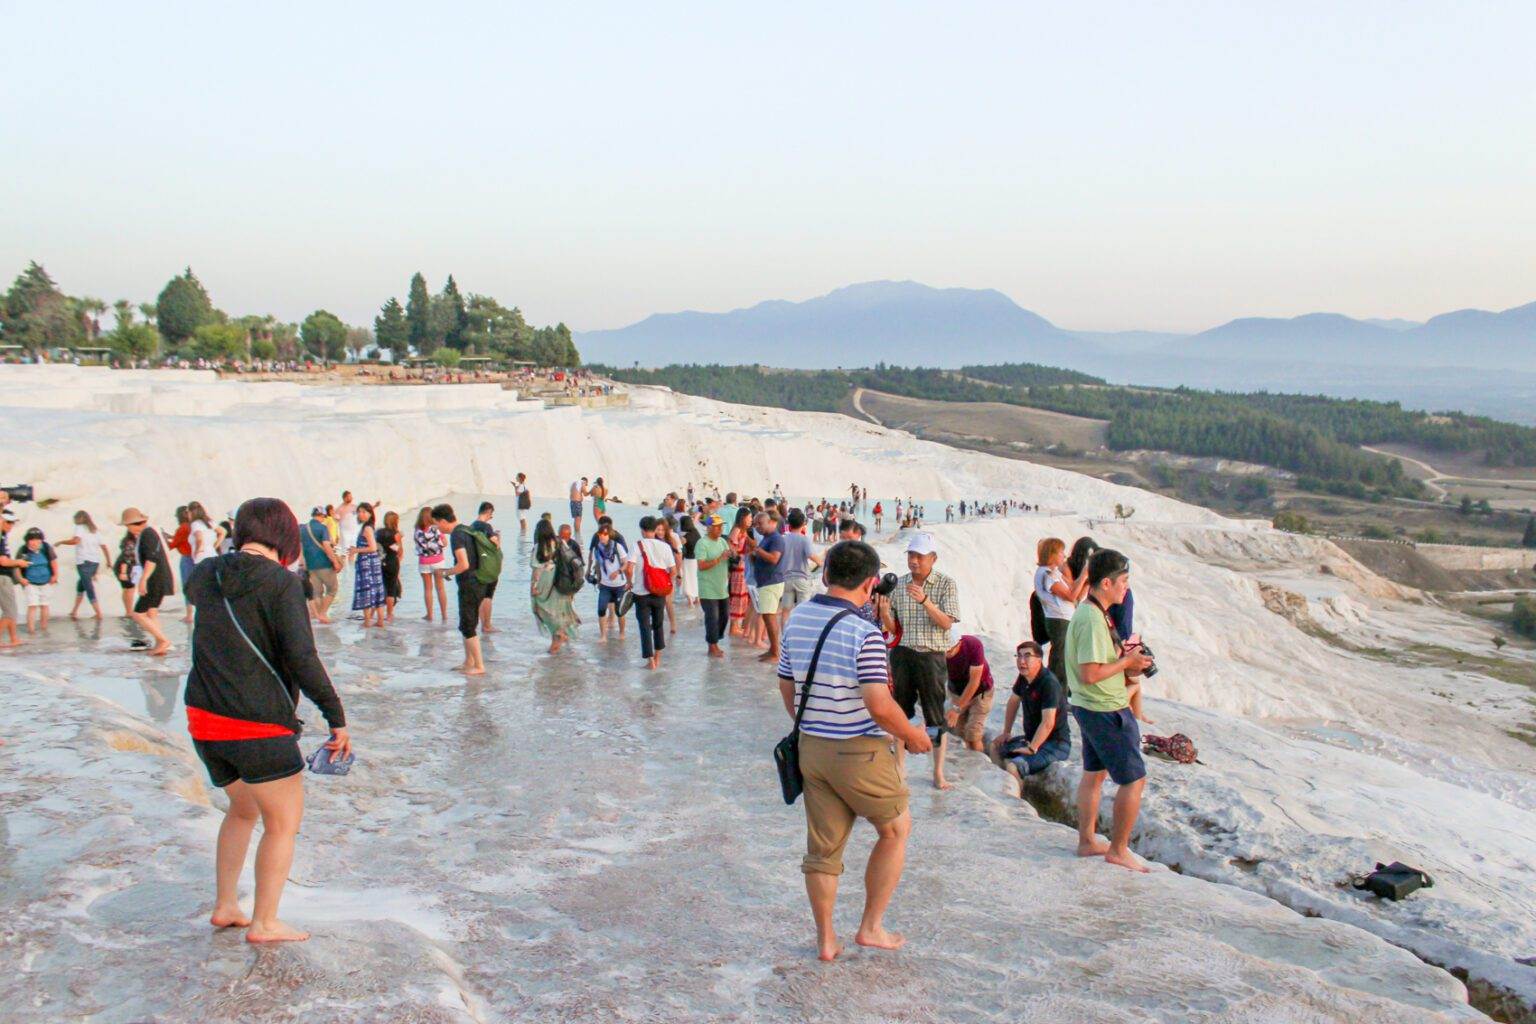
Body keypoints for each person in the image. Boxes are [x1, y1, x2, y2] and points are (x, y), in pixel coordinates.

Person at [182, 496, 351, 944]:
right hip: (256, 724)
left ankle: (225, 905)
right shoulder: (281, 584)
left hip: (203, 720)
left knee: (241, 809)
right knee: (282, 824)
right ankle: (265, 922)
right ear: (284, 536)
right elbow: (301, 657)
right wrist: (336, 717)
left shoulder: (205, 574)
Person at [777, 539, 932, 962]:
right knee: (896, 829)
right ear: (869, 584)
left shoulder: (797, 618)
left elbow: (787, 688)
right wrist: (915, 738)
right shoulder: (864, 633)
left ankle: (826, 940)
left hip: (812, 747)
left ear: (825, 576)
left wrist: (814, 719)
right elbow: (879, 705)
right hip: (859, 751)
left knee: (823, 851)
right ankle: (871, 927)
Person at [1066, 548, 1154, 873]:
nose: (1126, 589)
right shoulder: (1091, 618)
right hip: (1104, 707)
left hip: (1090, 706)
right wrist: (1128, 662)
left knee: (1094, 774)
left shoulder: (1094, 611)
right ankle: (1118, 849)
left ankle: (1087, 840)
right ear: (1106, 582)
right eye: (1124, 582)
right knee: (1134, 780)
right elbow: (1090, 672)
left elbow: (1102, 659)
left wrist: (1129, 657)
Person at [879, 532, 960, 790]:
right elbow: (893, 628)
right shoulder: (899, 585)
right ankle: (899, 768)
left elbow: (947, 622)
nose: (914, 561)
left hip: (931, 655)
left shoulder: (946, 584)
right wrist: (883, 612)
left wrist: (925, 601)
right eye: (911, 555)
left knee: (935, 714)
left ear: (932, 558)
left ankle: (937, 772)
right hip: (903, 653)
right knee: (899, 711)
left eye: (919, 556)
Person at [995, 641, 1071, 788]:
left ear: (1039, 659)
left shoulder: (1049, 684)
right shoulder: (1024, 677)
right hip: (1032, 739)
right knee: (996, 748)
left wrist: (1032, 748)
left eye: (1027, 656)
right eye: (1019, 656)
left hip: (1055, 744)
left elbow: (1048, 723)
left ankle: (1018, 805)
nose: (1021, 661)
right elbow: (1013, 701)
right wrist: (1006, 732)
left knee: (1014, 766)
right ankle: (1004, 792)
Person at [433, 504, 486, 676]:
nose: (437, 528)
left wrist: (446, 572)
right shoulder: (465, 529)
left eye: (436, 524)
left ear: (442, 521)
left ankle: (479, 665)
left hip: (470, 583)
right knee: (466, 623)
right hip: (477, 581)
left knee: (468, 625)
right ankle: (468, 661)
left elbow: (464, 564)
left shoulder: (457, 535)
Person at [624, 515, 675, 670]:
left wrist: (629, 582)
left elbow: (629, 568)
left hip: (641, 593)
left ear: (642, 530)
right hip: (659, 592)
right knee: (658, 625)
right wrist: (665, 583)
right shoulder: (665, 547)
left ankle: (650, 661)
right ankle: (658, 658)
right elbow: (673, 570)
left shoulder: (637, 545)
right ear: (655, 529)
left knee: (645, 626)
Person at [122, 507, 173, 655]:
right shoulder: (151, 532)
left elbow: (152, 559)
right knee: (151, 612)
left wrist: (144, 579)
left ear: (133, 524)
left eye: (128, 526)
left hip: (155, 578)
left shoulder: (148, 534)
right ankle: (160, 643)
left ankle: (163, 640)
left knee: (138, 613)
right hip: (160, 577)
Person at [530, 520, 580, 653]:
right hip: (560, 581)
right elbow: (572, 560)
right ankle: (558, 637)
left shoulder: (538, 547)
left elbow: (536, 571)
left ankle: (558, 636)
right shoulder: (560, 543)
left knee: (541, 608)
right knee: (557, 609)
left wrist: (533, 587)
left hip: (545, 581)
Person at [944, 633, 994, 764]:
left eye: (950, 650)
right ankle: (966, 764)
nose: (947, 654)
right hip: (956, 690)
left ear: (959, 643)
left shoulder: (973, 645)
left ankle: (982, 765)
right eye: (944, 650)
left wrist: (956, 709)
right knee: (959, 732)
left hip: (980, 692)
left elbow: (974, 682)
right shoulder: (937, 650)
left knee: (973, 733)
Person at [1034, 538, 1076, 687]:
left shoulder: (1053, 572)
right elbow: (1071, 596)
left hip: (1062, 618)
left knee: (1064, 657)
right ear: (1052, 554)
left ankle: (1061, 693)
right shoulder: (1047, 574)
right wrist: (1084, 576)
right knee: (1059, 659)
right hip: (1058, 619)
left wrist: (1067, 570)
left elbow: (1071, 587)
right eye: (1061, 553)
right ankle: (1055, 692)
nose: (1063, 556)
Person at [57, 510, 111, 620]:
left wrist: (61, 542)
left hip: (83, 562)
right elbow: (104, 546)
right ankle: (74, 611)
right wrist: (108, 561)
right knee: (81, 585)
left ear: (79, 519)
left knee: (88, 587)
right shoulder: (94, 530)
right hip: (95, 562)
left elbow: (76, 541)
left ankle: (98, 613)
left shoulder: (80, 528)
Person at [750, 510, 787, 663]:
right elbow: (762, 559)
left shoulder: (776, 538)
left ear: (770, 522)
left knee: (769, 616)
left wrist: (757, 550)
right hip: (765, 581)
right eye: (755, 524)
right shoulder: (766, 538)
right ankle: (772, 649)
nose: (757, 527)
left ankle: (776, 652)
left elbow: (773, 559)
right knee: (766, 615)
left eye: (760, 523)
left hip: (771, 582)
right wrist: (754, 555)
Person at [694, 514, 731, 657]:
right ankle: (712, 645)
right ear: (709, 528)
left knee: (724, 616)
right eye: (717, 527)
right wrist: (719, 559)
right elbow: (701, 565)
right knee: (712, 617)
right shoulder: (702, 543)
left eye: (721, 526)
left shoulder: (722, 541)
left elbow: (727, 560)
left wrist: (731, 556)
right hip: (707, 587)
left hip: (721, 586)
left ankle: (715, 639)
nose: (720, 529)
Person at [777, 508, 822, 620]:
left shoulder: (783, 538)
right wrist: (821, 563)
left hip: (786, 578)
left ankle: (784, 635)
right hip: (802, 578)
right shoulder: (804, 539)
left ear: (789, 524)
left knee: (786, 610)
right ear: (803, 523)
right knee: (802, 610)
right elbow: (811, 555)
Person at [300, 507, 342, 623]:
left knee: (317, 593)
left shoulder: (303, 528)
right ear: (322, 516)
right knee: (332, 590)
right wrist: (335, 562)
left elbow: (301, 548)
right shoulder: (323, 528)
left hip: (310, 565)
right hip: (324, 564)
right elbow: (327, 546)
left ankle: (318, 616)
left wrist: (302, 563)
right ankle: (323, 614)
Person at [590, 520, 630, 641]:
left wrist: (618, 572)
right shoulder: (598, 548)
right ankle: (603, 636)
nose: (602, 536)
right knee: (601, 610)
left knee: (620, 612)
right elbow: (597, 564)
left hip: (619, 585)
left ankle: (622, 633)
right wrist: (596, 578)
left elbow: (626, 563)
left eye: (605, 534)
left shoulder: (618, 547)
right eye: (600, 534)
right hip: (605, 585)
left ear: (609, 535)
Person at [349, 503, 386, 628]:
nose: (361, 514)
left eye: (364, 512)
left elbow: (373, 547)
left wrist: (356, 550)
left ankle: (367, 621)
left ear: (370, 514)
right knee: (375, 590)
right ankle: (379, 620)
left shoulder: (367, 528)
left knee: (367, 590)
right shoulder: (368, 526)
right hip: (372, 561)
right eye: (359, 512)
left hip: (367, 562)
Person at [470, 502, 502, 634]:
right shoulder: (486, 527)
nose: (491, 517)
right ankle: (487, 625)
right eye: (491, 515)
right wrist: (498, 537)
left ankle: (480, 624)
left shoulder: (472, 526)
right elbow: (496, 545)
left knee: (480, 596)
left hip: (476, 565)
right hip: (487, 564)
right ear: (488, 512)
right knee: (488, 596)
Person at [414, 507, 449, 622]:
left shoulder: (417, 529)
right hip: (438, 560)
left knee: (428, 589)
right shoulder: (436, 529)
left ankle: (429, 615)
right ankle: (444, 615)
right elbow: (445, 543)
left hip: (424, 561)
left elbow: (417, 545)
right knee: (440, 588)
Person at [19, 527, 57, 632]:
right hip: (30, 583)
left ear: (41, 540)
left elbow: (53, 561)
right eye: (31, 539)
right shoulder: (24, 550)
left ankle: (44, 629)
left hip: (46, 581)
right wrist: (21, 579)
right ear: (27, 540)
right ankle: (31, 631)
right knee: (32, 605)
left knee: (45, 605)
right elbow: (17, 565)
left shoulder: (46, 547)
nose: (34, 542)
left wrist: (55, 576)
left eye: (37, 539)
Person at [0, 509, 24, 647]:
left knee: (11, 610)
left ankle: (14, 638)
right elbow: (2, 561)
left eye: (12, 523)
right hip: (2, 576)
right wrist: (19, 562)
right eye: (8, 522)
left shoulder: (3, 536)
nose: (10, 525)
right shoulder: (1, 538)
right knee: (10, 612)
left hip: (5, 576)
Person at [727, 507, 751, 636]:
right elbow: (732, 548)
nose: (751, 520)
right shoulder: (737, 530)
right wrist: (741, 557)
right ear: (743, 518)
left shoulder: (744, 531)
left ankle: (736, 625)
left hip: (743, 567)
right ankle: (733, 627)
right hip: (738, 568)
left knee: (742, 596)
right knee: (737, 596)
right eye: (749, 517)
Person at [375, 510, 404, 622]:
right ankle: (389, 614)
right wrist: (399, 540)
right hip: (392, 562)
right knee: (391, 588)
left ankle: (378, 613)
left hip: (380, 561)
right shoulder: (395, 534)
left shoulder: (378, 532)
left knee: (380, 587)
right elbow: (399, 551)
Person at [679, 514, 701, 608]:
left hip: (688, 561)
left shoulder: (685, 538)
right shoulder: (697, 533)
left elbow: (679, 548)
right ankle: (698, 599)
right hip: (697, 560)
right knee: (696, 579)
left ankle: (690, 602)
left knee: (687, 580)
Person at [335, 491, 358, 568]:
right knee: (344, 552)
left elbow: (365, 509)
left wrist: (375, 506)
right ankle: (344, 568)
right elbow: (335, 521)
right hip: (344, 533)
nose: (351, 498)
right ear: (344, 498)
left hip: (353, 532)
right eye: (349, 497)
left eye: (351, 496)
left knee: (352, 551)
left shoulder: (354, 507)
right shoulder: (339, 509)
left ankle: (351, 567)